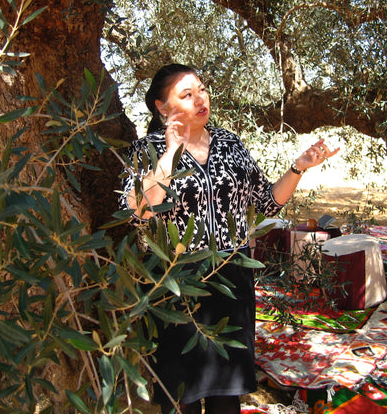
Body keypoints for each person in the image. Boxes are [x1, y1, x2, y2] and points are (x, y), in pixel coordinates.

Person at [119, 63, 339, 414]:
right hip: (176, 283)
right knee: (181, 398)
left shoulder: (229, 143)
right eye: (186, 94)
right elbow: (139, 212)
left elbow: (265, 201)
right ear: (162, 107)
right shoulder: (146, 150)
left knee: (227, 397)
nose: (200, 99)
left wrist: (298, 167)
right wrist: (170, 155)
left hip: (231, 278)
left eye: (202, 90)